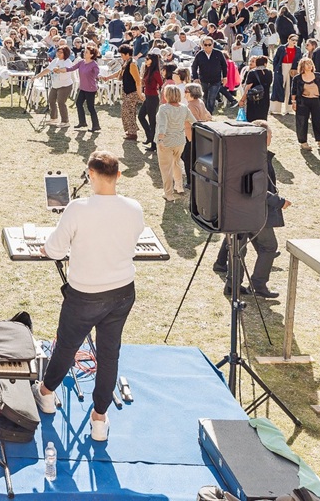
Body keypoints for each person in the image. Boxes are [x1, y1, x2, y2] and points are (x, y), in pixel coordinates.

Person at [35, 152, 142, 442]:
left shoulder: (77, 208)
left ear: (90, 174)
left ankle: (46, 393)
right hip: (122, 292)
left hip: (85, 294)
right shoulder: (134, 208)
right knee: (109, 354)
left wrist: (48, 247)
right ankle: (99, 417)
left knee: (66, 347)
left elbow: (55, 250)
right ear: (118, 175)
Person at [215, 120, 288, 298]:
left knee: (238, 249)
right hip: (254, 211)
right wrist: (279, 201)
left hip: (237, 210)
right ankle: (258, 285)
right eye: (269, 136)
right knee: (269, 247)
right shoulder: (256, 158)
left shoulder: (240, 154)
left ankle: (232, 285)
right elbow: (256, 188)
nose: (271, 139)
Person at [155, 85, 195, 202]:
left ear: (166, 95)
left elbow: (162, 126)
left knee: (166, 168)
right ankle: (179, 186)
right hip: (180, 141)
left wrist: (160, 140)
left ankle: (168, 193)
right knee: (176, 163)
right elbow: (194, 121)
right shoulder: (184, 108)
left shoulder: (164, 108)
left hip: (166, 142)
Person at [289, 57, 320, 151]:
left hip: (316, 100)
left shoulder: (318, 76)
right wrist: (293, 102)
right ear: (302, 66)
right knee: (302, 121)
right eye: (307, 64)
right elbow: (294, 91)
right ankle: (303, 142)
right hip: (303, 101)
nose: (309, 66)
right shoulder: (297, 78)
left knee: (319, 121)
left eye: (310, 63)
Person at [183, 83, 212, 187]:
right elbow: (208, 116)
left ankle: (190, 182)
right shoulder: (200, 102)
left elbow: (194, 122)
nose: (184, 94)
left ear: (191, 93)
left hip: (191, 136)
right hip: (198, 135)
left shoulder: (191, 106)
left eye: (186, 92)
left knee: (187, 158)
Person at [66, 44, 101, 133]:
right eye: (85, 52)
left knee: (90, 107)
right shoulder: (81, 62)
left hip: (90, 89)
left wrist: (98, 76)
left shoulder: (94, 64)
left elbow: (97, 73)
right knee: (78, 103)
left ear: (91, 55)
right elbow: (72, 68)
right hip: (83, 88)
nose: (84, 53)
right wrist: (63, 69)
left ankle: (96, 126)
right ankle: (82, 122)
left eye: (86, 52)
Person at [40, 45, 75, 126]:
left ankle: (65, 121)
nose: (58, 53)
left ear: (65, 53)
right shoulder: (55, 60)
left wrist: (58, 70)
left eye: (61, 52)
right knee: (51, 100)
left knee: (61, 102)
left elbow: (65, 70)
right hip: (55, 84)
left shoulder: (68, 62)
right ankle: (54, 118)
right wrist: (37, 76)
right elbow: (47, 69)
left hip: (65, 85)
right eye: (58, 52)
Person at [191, 37, 228, 114]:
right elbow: (194, 66)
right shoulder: (199, 54)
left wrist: (225, 77)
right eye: (205, 45)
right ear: (202, 45)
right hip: (203, 80)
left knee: (212, 97)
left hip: (216, 80)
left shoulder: (218, 53)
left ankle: (209, 113)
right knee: (205, 97)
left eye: (209, 44)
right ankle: (205, 113)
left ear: (213, 45)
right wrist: (195, 78)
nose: (207, 46)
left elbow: (224, 66)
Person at [138, 52, 163, 151]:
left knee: (152, 121)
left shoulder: (155, 72)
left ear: (153, 61)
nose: (146, 60)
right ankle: (150, 136)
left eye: (148, 59)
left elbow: (161, 84)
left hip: (153, 98)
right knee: (141, 116)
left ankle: (154, 144)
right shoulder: (148, 69)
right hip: (148, 97)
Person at [116, 44, 142, 140]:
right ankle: (130, 131)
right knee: (126, 112)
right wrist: (108, 77)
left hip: (132, 92)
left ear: (127, 54)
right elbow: (120, 73)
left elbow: (138, 80)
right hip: (126, 91)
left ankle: (133, 133)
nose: (121, 56)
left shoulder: (132, 64)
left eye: (122, 54)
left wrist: (139, 93)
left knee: (129, 112)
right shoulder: (126, 62)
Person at [238, 54, 272, 122]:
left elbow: (247, 88)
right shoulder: (269, 72)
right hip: (265, 99)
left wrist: (242, 100)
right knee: (262, 119)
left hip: (253, 99)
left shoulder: (252, 73)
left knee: (252, 119)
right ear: (265, 64)